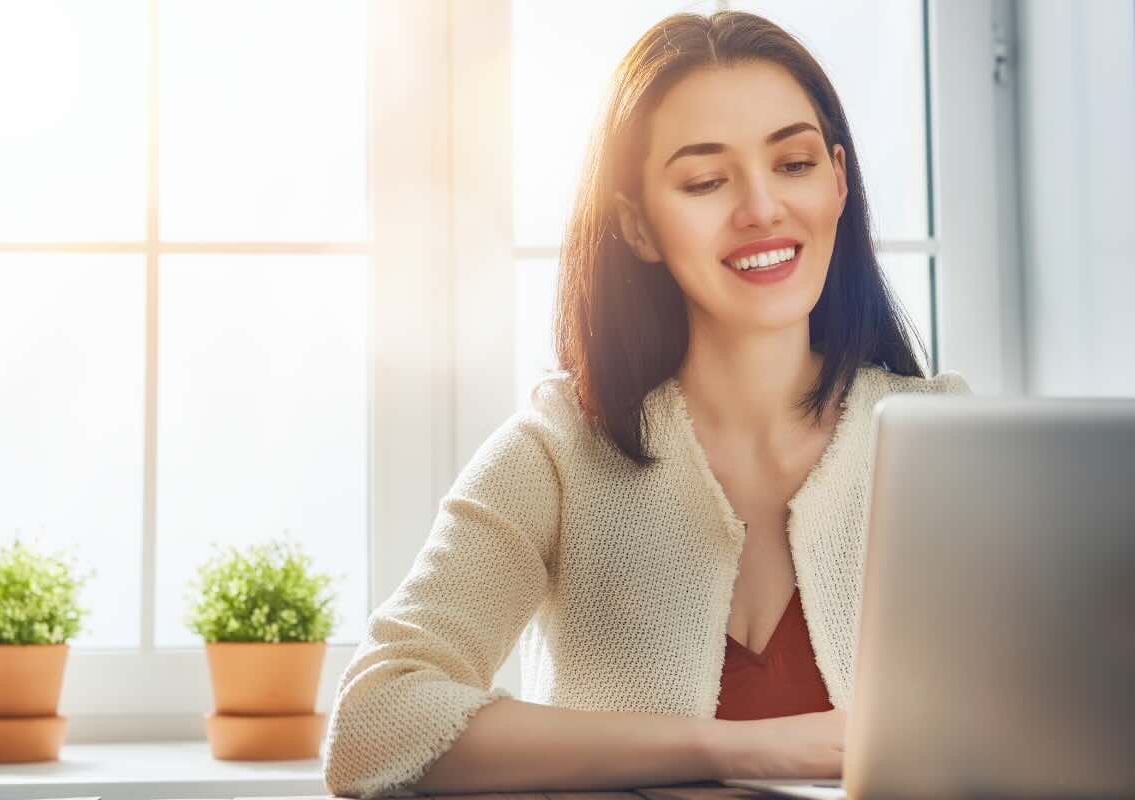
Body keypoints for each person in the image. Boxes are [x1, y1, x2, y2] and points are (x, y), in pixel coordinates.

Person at [322, 10, 968, 798]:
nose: (762, 207)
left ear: (838, 179)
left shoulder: (946, 442)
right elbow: (374, 723)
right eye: (705, 181)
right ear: (638, 224)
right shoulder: (559, 450)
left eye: (793, 163)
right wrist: (739, 750)